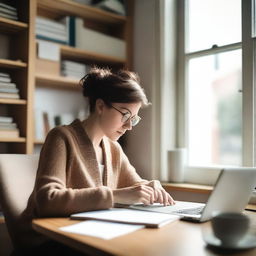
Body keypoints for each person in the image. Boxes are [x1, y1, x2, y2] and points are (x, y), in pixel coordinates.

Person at [15, 67, 175, 255]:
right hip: (49, 242)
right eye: (125, 115)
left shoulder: (113, 148)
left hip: (87, 236)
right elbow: (47, 200)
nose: (129, 126)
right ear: (100, 106)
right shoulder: (61, 137)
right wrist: (115, 196)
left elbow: (134, 185)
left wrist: (150, 186)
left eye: (134, 118)